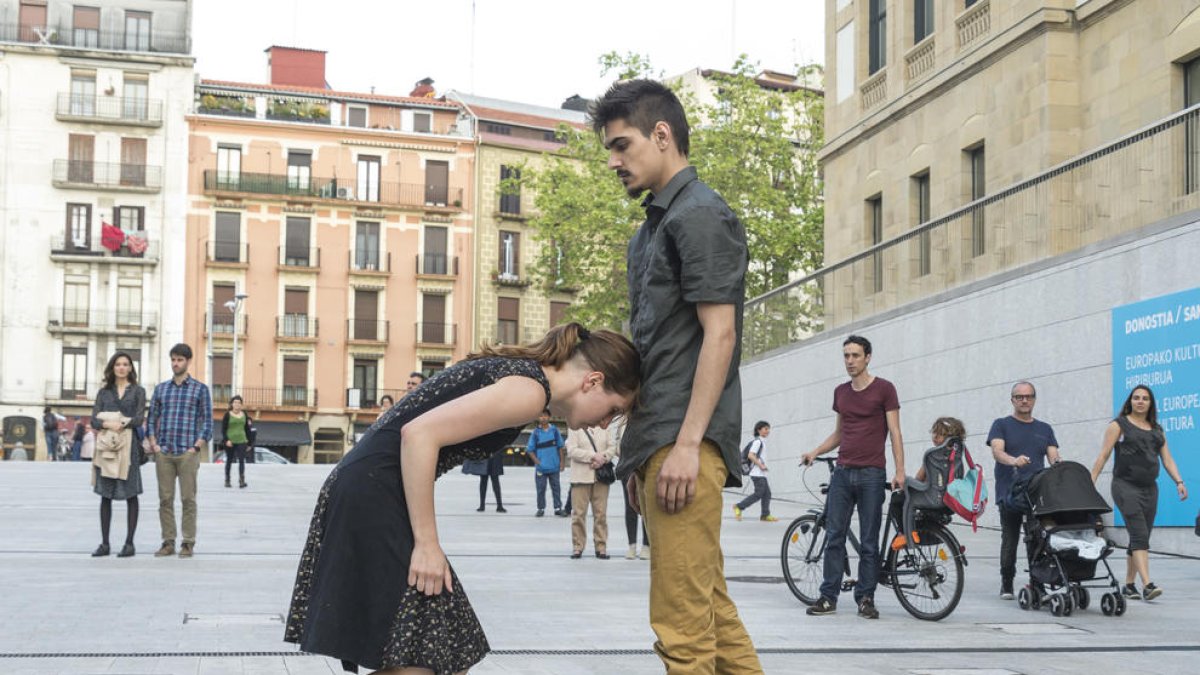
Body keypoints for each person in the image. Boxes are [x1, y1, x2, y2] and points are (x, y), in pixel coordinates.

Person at [283, 323, 638, 674]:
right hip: (373, 495)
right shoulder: (529, 391)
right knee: (437, 655)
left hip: (368, 489)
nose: (605, 425)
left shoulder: (524, 378)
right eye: (613, 410)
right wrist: (427, 544)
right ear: (593, 381)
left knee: (447, 652)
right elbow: (418, 435)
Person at [594, 78, 761, 672]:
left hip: (684, 441)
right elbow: (659, 351)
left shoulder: (700, 215)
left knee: (682, 630)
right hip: (661, 439)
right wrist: (642, 453)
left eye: (622, 145)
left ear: (662, 135)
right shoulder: (651, 230)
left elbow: (721, 335)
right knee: (709, 610)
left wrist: (686, 445)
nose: (613, 161)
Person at [801, 335, 906, 619]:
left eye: (855, 355)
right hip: (843, 473)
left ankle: (865, 598)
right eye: (846, 356)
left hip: (872, 474)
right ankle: (827, 597)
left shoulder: (885, 389)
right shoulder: (841, 392)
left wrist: (899, 471)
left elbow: (895, 432)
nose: (850, 361)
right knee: (834, 536)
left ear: (868, 357)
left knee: (869, 541)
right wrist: (815, 451)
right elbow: (839, 434)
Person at [1090, 385, 1187, 601]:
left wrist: (1179, 481)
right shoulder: (1119, 425)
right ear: (1130, 401)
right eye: (1136, 398)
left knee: (1140, 536)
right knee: (1139, 534)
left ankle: (1129, 585)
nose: (1140, 401)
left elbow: (1167, 459)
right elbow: (1103, 455)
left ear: (1151, 403)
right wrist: (1091, 482)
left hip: (1150, 489)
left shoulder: (1157, 430)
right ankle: (1147, 585)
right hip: (1125, 486)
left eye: (1145, 398)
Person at [988, 380, 1060, 600]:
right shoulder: (1001, 424)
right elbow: (997, 451)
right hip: (1010, 493)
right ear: (1012, 400)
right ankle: (1007, 583)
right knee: (1010, 539)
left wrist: (1058, 465)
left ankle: (1037, 584)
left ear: (1035, 399)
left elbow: (1054, 455)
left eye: (1028, 396)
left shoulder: (1044, 429)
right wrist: (1013, 460)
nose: (1024, 400)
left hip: (1036, 494)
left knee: (1037, 539)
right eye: (1019, 397)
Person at [147, 343, 212, 559]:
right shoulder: (161, 389)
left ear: (188, 361)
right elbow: (151, 419)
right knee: (165, 499)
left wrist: (197, 446)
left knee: (188, 499)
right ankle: (168, 542)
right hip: (164, 452)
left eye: (180, 360)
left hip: (187, 452)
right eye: (173, 359)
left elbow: (208, 422)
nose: (176, 363)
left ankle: (188, 543)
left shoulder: (200, 389)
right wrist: (154, 444)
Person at [89, 351, 146, 558]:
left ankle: (129, 543)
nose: (122, 367)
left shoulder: (139, 391)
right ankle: (105, 543)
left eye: (125, 364)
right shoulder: (104, 393)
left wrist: (124, 423)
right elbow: (93, 420)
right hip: (107, 447)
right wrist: (108, 423)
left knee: (131, 493)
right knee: (105, 494)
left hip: (129, 446)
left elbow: (140, 418)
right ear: (113, 368)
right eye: (118, 364)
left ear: (131, 368)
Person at [566, 425, 618, 559]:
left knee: (601, 514)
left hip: (601, 477)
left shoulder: (606, 427)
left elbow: (612, 447)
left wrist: (603, 459)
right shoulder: (575, 427)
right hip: (580, 477)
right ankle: (577, 546)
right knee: (578, 514)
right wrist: (593, 456)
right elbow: (572, 450)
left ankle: (601, 547)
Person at [614, 417, 650, 560]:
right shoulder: (621, 423)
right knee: (630, 506)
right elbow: (616, 444)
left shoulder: (645, 419)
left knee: (644, 505)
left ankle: (647, 545)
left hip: (643, 466)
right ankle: (632, 545)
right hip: (627, 468)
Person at [733, 421, 776, 522]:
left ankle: (765, 515)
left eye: (768, 429)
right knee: (759, 493)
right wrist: (761, 465)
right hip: (757, 473)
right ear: (759, 430)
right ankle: (739, 507)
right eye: (765, 429)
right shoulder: (758, 442)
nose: (768, 431)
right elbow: (751, 455)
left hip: (761, 474)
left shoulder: (762, 442)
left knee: (767, 494)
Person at [527, 410, 567, 517]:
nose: (543, 418)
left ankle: (558, 508)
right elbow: (529, 450)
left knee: (556, 488)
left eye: (545, 416)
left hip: (554, 466)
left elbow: (560, 447)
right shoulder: (535, 433)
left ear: (549, 417)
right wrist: (537, 462)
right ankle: (540, 508)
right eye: (540, 416)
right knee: (540, 489)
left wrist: (562, 463)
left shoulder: (554, 431)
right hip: (541, 469)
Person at [221, 395, 256, 489]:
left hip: (242, 440)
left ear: (241, 405)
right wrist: (226, 440)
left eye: (239, 403)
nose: (237, 404)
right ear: (232, 404)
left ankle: (242, 481)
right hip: (230, 441)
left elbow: (247, 429)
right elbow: (223, 429)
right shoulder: (227, 414)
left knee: (241, 460)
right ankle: (227, 480)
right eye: (235, 402)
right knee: (229, 460)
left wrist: (249, 443)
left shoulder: (244, 414)